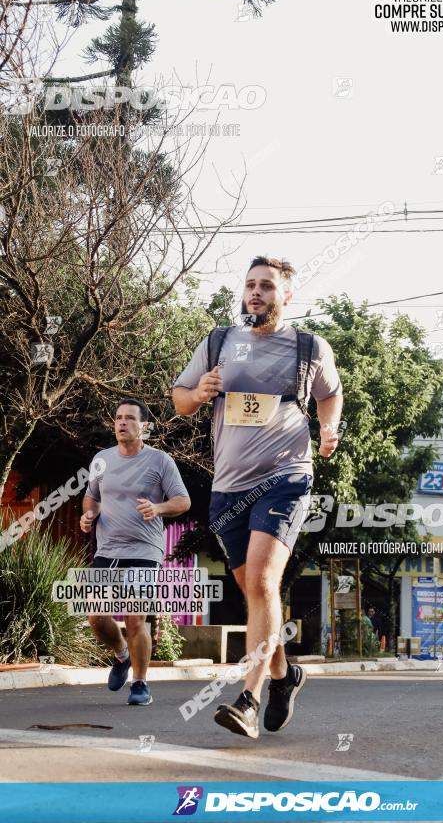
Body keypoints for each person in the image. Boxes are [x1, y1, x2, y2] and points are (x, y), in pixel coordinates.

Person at [172, 256, 343, 739]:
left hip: (286, 478)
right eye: (250, 285)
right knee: (254, 591)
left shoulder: (309, 347)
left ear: (285, 295)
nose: (255, 292)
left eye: (266, 286)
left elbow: (330, 394)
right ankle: (285, 676)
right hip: (229, 488)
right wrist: (199, 392)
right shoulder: (220, 342)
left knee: (265, 582)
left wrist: (328, 427)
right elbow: (179, 399)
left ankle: (247, 696)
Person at [80, 399, 191, 706]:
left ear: (144, 426)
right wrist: (89, 516)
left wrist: (158, 507)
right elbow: (92, 499)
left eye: (129, 418)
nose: (122, 422)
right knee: (95, 616)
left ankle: (140, 683)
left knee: (134, 618)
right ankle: (121, 655)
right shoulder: (102, 460)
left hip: (144, 550)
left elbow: (183, 501)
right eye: (118, 418)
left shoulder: (160, 461)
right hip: (108, 550)